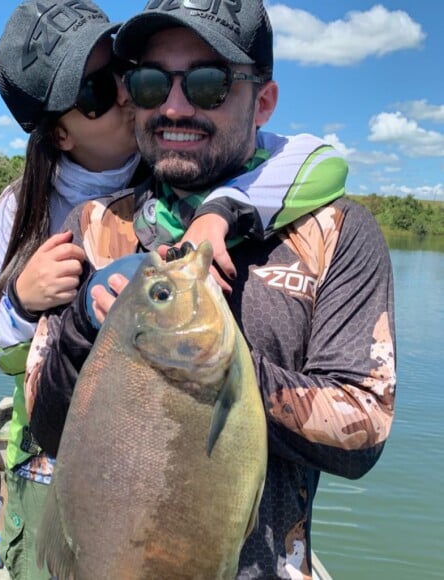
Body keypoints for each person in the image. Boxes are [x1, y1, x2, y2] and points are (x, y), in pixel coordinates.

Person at [24, 1, 396, 578]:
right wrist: (81, 334)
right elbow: (44, 427)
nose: (174, 106)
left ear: (263, 101)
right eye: (150, 83)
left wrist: (203, 368)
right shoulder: (94, 228)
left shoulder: (338, 231)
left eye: (208, 84)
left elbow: (363, 431)